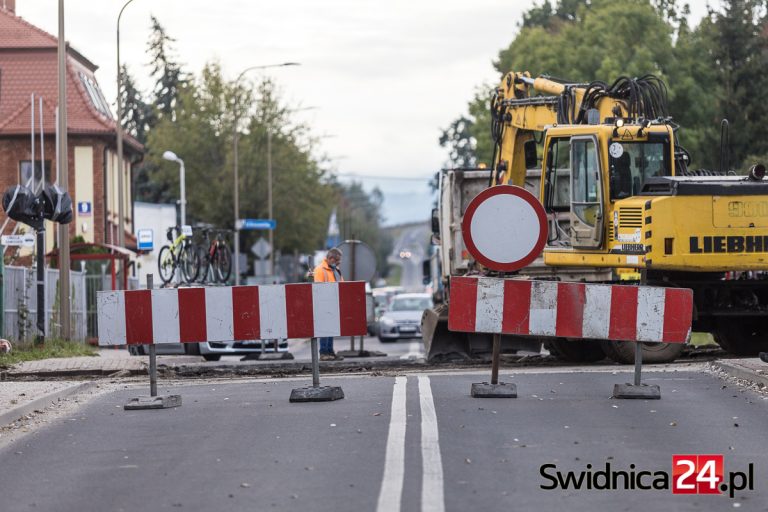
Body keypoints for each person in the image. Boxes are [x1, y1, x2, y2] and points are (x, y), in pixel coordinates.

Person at [313, 248, 344, 360]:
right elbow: (318, 288)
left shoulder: (336, 270)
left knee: (332, 328)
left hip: (334, 304)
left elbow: (342, 286)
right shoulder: (320, 270)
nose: (338, 263)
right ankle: (324, 353)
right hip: (323, 304)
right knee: (325, 328)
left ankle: (330, 352)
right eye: (337, 261)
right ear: (331, 259)